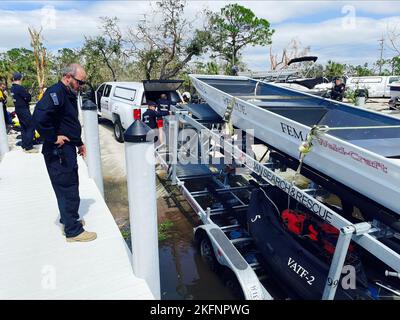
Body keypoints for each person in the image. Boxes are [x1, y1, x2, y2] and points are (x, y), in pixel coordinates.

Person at [33, 64, 97, 243]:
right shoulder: (56, 93)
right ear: (68, 77)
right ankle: (73, 231)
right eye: (79, 82)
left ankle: (69, 220)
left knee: (68, 186)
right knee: (67, 188)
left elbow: (68, 122)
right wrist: (53, 137)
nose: (81, 85)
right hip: (58, 152)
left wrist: (79, 143)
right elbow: (39, 118)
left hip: (67, 149)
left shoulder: (67, 93)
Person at [10, 72, 37, 153]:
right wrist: (29, 94)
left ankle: (25, 144)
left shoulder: (12, 88)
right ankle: (29, 147)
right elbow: (28, 98)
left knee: (24, 127)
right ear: (20, 79)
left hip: (18, 109)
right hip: (23, 109)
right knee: (31, 126)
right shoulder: (19, 88)